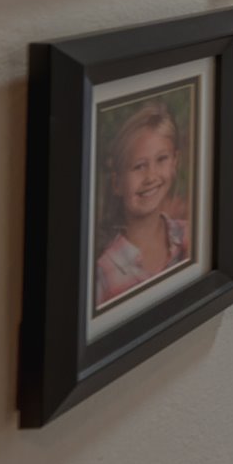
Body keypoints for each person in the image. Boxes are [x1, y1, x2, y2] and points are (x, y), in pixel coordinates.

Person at [94, 100, 192, 309]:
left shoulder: (189, 236)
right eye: (139, 166)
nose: (151, 177)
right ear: (117, 183)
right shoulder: (103, 273)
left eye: (161, 159)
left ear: (175, 161)